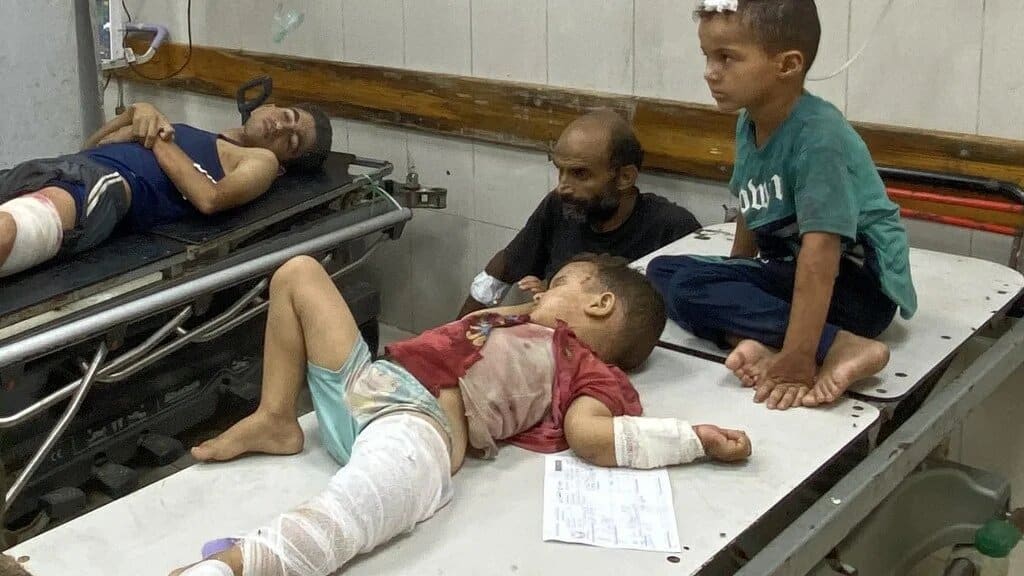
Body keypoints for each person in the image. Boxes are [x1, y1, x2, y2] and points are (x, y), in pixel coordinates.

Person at [169, 253, 752, 576]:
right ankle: (277, 417)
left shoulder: (583, 365)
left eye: (559, 285)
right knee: (298, 273)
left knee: (352, 511)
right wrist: (528, 305)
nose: (540, 292)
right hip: (369, 384)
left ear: (599, 305)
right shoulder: (522, 322)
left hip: (417, 423)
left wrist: (691, 439)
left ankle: (237, 566)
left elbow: (591, 436)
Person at [647, 0, 917, 411]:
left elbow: (821, 258)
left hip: (858, 292)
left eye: (726, 57)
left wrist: (798, 360)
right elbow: (750, 200)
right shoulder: (750, 119)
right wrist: (736, 277)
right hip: (793, 275)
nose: (710, 72)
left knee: (687, 289)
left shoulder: (819, 137)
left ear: (788, 65)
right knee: (662, 272)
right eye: (707, 56)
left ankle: (840, 346)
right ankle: (762, 338)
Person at [0, 100, 332, 277]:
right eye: (288, 116)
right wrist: (137, 112)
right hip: (59, 168)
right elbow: (89, 148)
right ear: (270, 105)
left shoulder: (262, 161)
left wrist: (156, 135)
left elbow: (210, 198)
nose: (281, 126)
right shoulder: (196, 134)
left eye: (292, 142)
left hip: (106, 186)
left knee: (5, 231)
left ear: (284, 164)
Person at [458, 110, 702, 318]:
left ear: (625, 177)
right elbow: (504, 266)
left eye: (580, 174)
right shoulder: (559, 206)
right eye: (560, 171)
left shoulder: (671, 228)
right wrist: (453, 335)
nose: (563, 187)